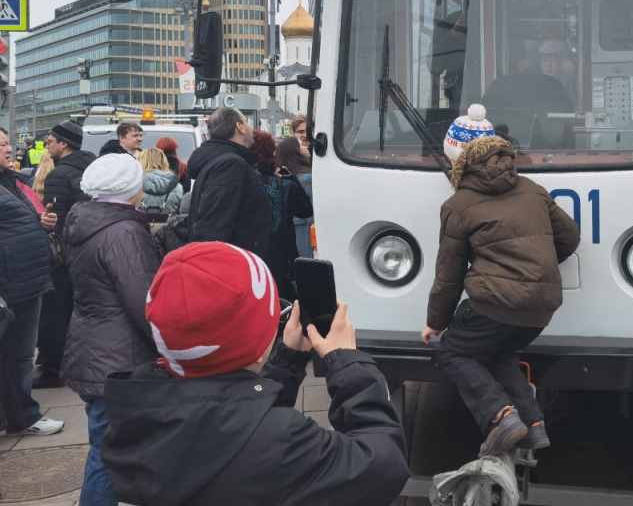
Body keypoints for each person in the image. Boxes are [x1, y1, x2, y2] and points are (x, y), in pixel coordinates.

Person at [101, 241, 409, 505]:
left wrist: (286, 363)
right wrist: (347, 362)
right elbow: (383, 465)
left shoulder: (138, 410)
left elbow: (231, 421)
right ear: (258, 344)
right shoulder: (283, 441)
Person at [424, 118, 581, 457]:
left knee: (454, 349)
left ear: (460, 162)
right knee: (498, 353)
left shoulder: (458, 204)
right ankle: (534, 425)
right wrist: (542, 266)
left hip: (495, 304)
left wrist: (436, 321)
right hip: (543, 308)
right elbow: (570, 236)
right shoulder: (533, 189)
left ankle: (500, 417)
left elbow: (449, 273)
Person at [62, 154, 161, 505]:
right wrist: (167, 345)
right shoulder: (123, 231)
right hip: (119, 358)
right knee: (109, 454)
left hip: (94, 348)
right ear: (131, 188)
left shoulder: (86, 220)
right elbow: (144, 300)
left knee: (109, 445)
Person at [0, 127, 64, 436]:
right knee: (16, 353)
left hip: (27, 281)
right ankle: (19, 415)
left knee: (23, 353)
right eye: (0, 145)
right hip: (10, 283)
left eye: (6, 143)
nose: (8, 149)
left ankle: (21, 416)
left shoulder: (12, 182)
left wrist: (42, 221)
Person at [37, 120, 97, 389]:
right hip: (88, 249)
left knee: (56, 308)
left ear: (64, 143)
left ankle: (54, 368)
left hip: (65, 255)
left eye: (50, 139)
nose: (47, 143)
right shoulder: (91, 168)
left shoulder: (58, 176)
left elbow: (56, 223)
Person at [188, 108, 271, 259]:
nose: (250, 127)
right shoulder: (231, 164)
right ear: (239, 127)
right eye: (246, 122)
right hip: (232, 267)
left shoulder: (220, 160)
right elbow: (213, 227)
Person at [250, 130, 313, 300]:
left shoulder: (241, 181)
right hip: (281, 257)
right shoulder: (284, 185)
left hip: (249, 258)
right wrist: (291, 179)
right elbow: (306, 210)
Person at [277, 135, 314, 259]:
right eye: (302, 145)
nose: (307, 146)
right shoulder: (307, 179)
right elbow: (310, 216)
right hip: (304, 233)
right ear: (294, 152)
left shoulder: (286, 177)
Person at [138, 148, 183, 215]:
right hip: (167, 223)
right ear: (164, 161)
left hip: (137, 223)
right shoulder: (176, 185)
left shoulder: (135, 183)